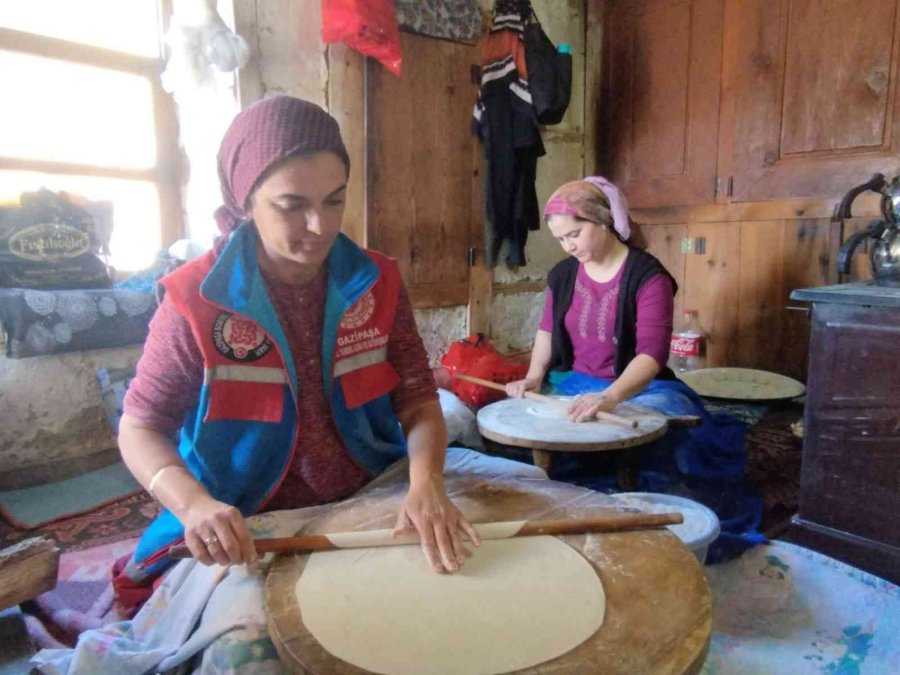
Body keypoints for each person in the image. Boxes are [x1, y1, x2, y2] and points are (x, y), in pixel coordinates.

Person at [113, 95, 480, 611]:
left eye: (334, 200)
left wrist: (426, 483)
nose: (320, 226)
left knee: (462, 583)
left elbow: (419, 401)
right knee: (251, 645)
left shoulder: (377, 281)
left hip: (369, 488)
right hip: (248, 511)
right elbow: (140, 426)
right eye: (292, 205)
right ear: (246, 202)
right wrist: (195, 506)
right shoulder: (195, 300)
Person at [505, 176, 763, 562]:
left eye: (575, 234)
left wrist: (609, 396)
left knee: (667, 441)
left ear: (604, 222)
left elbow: (651, 354)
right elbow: (546, 330)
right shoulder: (562, 275)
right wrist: (534, 376)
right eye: (561, 239)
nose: (569, 246)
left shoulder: (647, 275)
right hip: (575, 381)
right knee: (525, 437)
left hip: (641, 388)